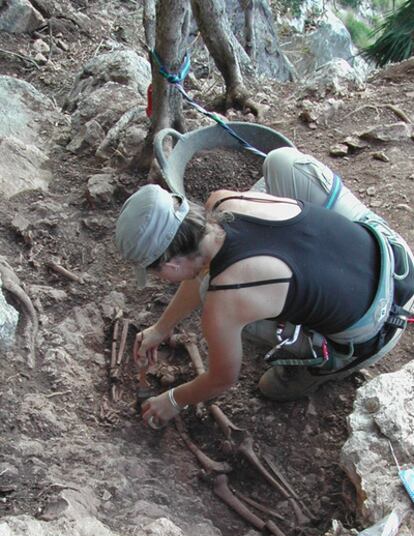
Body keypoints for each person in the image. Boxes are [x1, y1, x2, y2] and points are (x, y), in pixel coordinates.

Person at [115, 146, 414, 430]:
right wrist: (161, 327)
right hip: (396, 257)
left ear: (170, 267)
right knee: (281, 161)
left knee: (267, 382)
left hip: (378, 326)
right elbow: (199, 264)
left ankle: (325, 362)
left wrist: (172, 400)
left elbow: (221, 379)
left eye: (156, 273)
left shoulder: (225, 301)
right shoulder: (223, 203)